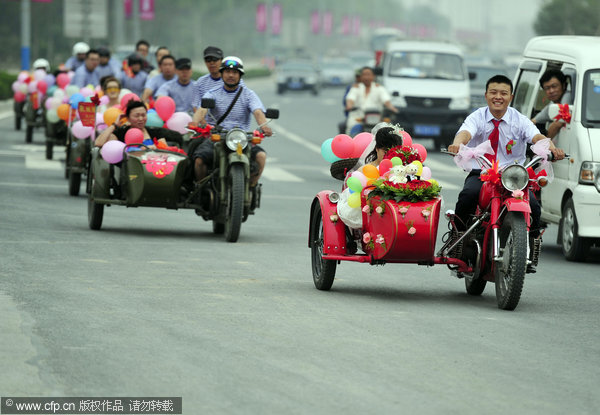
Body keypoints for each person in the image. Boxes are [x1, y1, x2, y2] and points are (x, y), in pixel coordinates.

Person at [447, 75, 565, 272]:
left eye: (503, 93)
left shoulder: (519, 119)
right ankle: (458, 239)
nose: (498, 97)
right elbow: (465, 132)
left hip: (513, 177)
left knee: (534, 207)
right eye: (493, 92)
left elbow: (537, 137)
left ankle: (529, 248)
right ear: (486, 95)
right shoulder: (477, 116)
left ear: (511, 96)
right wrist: (458, 143)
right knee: (467, 195)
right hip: (482, 173)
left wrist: (552, 148)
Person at [191, 56, 272, 188]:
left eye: (235, 72)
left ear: (240, 76)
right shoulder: (212, 93)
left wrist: (264, 126)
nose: (231, 75)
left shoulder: (249, 94)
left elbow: (258, 112)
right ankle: (201, 187)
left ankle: (251, 186)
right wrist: (195, 122)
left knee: (261, 157)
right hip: (216, 138)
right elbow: (202, 110)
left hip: (242, 138)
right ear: (222, 74)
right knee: (199, 160)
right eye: (227, 72)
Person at [337, 124, 403, 229]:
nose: (389, 155)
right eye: (385, 151)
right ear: (377, 149)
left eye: (394, 152)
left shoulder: (402, 169)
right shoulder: (365, 170)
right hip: (370, 211)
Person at [95, 100, 181, 149]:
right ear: (128, 118)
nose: (140, 119)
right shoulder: (121, 132)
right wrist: (114, 125)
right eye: (136, 116)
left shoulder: (153, 131)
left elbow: (168, 144)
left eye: (143, 115)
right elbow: (98, 143)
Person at [345, 66, 399, 135]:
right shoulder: (356, 88)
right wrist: (349, 106)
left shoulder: (379, 88)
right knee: (351, 126)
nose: (366, 77)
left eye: (368, 75)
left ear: (373, 76)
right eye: (364, 75)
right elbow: (350, 99)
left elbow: (386, 100)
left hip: (377, 119)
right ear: (361, 77)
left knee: (388, 131)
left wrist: (393, 109)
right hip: (358, 118)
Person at [531, 69, 572, 139]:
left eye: (554, 86)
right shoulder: (553, 104)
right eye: (547, 88)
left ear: (564, 85)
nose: (551, 91)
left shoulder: (568, 96)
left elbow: (558, 123)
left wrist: (545, 145)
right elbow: (534, 121)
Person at [191, 46, 225, 113]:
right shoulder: (200, 82)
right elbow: (195, 106)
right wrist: (203, 122)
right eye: (208, 60)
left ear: (221, 61)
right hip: (206, 122)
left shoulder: (232, 80)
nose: (211, 63)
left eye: (215, 59)